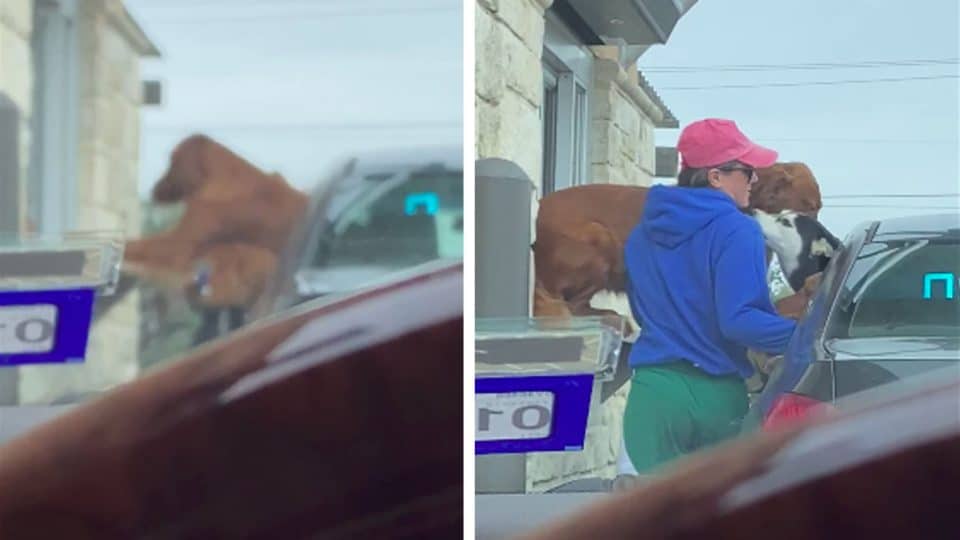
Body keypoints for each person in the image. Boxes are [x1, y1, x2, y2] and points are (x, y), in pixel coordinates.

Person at [618, 118, 798, 475]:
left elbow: (642, 311)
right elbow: (739, 320)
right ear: (716, 176)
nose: (754, 180)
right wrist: (808, 335)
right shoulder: (737, 228)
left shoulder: (641, 234)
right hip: (713, 397)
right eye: (747, 171)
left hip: (651, 393)